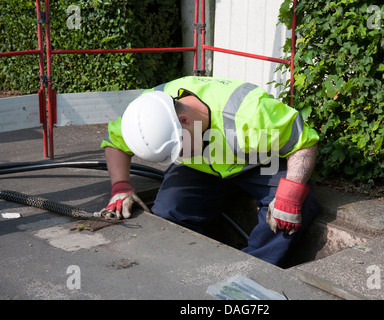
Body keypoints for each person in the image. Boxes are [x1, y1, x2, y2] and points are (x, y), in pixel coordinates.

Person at [97, 76, 320, 267]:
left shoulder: (250, 113)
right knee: (168, 209)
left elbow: (303, 142)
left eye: (179, 150)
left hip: (257, 163)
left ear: (184, 121)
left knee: (289, 210)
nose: (178, 157)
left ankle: (253, 270)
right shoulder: (149, 109)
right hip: (202, 168)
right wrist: (120, 186)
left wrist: (290, 194)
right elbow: (116, 141)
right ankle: (196, 264)